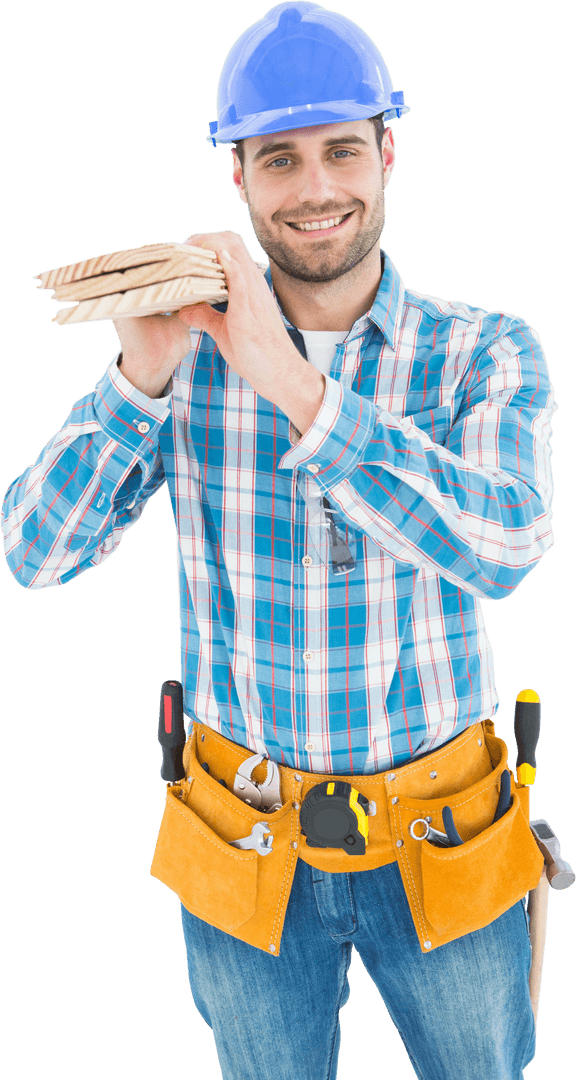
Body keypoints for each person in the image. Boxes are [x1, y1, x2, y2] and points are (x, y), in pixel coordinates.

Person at [0, 3, 558, 1078]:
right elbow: (33, 553)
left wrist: (291, 383)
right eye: (279, 159)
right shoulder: (183, 363)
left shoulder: (483, 349)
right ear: (239, 180)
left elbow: (507, 545)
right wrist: (137, 380)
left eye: (343, 149)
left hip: (442, 836)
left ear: (387, 153)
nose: (315, 188)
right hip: (242, 842)